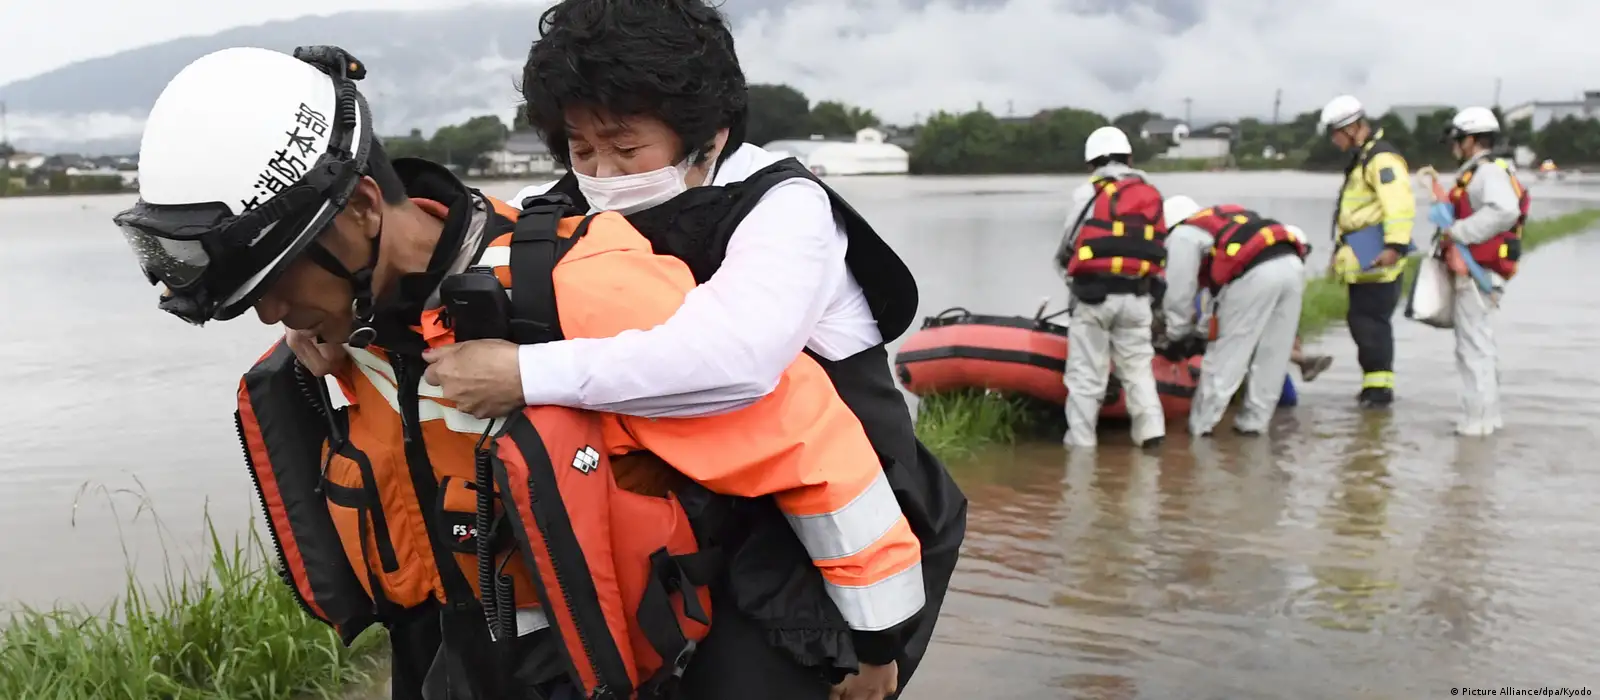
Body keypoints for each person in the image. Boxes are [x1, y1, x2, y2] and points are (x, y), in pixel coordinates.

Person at [115, 45, 926, 700]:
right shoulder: (348, 324)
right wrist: (326, 340)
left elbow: (810, 445)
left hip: (617, 657)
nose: (269, 315)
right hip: (459, 650)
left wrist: (875, 644)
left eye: (280, 284)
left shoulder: (577, 282)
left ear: (363, 211)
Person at [1051, 126, 1168, 449]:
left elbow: (1068, 246)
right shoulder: (1150, 193)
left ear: (1091, 163)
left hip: (1094, 298)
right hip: (1138, 298)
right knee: (1138, 370)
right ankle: (1151, 436)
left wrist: (1069, 275)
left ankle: (1081, 447)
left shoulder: (1087, 193)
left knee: (1087, 376)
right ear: (1130, 157)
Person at [1158, 195, 1308, 436]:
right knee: (1273, 355)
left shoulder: (1182, 235)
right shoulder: (1226, 220)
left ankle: (1200, 428)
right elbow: (1217, 295)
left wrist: (1177, 333)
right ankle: (1253, 426)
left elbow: (1179, 293)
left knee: (1227, 356)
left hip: (1255, 274)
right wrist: (1202, 329)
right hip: (1292, 265)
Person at [1432, 106, 1527, 435]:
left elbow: (1504, 210)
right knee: (1479, 346)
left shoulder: (1487, 173)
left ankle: (1476, 423)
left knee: (1472, 348)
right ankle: (1487, 418)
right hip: (1480, 270)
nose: (1454, 147)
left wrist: (1458, 232)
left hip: (1477, 272)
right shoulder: (1487, 170)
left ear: (1471, 140)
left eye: (1458, 140)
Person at [1319, 94, 1417, 408]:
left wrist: (1395, 246)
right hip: (1363, 254)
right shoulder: (1364, 159)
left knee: (1371, 323)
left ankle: (1378, 393)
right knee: (1362, 321)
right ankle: (1373, 389)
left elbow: (1399, 206)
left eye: (1336, 134)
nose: (1335, 142)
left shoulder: (1381, 159)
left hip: (1379, 255)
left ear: (1352, 128)